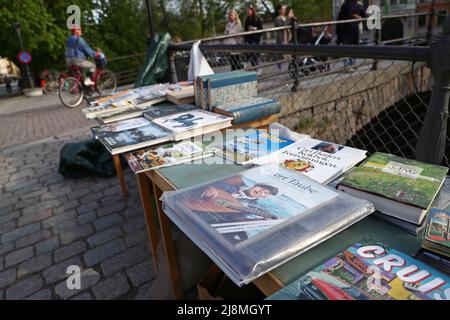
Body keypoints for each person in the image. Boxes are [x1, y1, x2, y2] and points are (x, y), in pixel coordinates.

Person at [336, 0, 366, 67]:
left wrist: (338, 31)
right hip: (354, 30)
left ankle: (347, 64)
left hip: (345, 30)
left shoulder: (344, 5)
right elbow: (364, 17)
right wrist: (359, 18)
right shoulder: (359, 6)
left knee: (345, 47)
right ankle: (352, 63)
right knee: (354, 47)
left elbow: (339, 18)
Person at [274, 5, 296, 70]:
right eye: (282, 9)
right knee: (281, 54)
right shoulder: (277, 18)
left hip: (287, 37)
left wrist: (292, 17)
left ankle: (289, 66)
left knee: (289, 53)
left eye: (284, 9)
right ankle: (280, 66)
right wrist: (288, 18)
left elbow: (290, 24)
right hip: (281, 38)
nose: (284, 11)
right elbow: (283, 25)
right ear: (279, 10)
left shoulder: (285, 17)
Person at [244, 5, 263, 74]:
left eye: (249, 11)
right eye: (247, 11)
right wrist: (246, 40)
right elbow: (245, 30)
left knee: (255, 54)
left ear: (252, 11)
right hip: (249, 39)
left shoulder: (257, 18)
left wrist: (255, 29)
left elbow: (261, 29)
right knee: (251, 54)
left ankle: (258, 68)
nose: (248, 12)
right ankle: (254, 68)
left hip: (255, 39)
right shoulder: (247, 19)